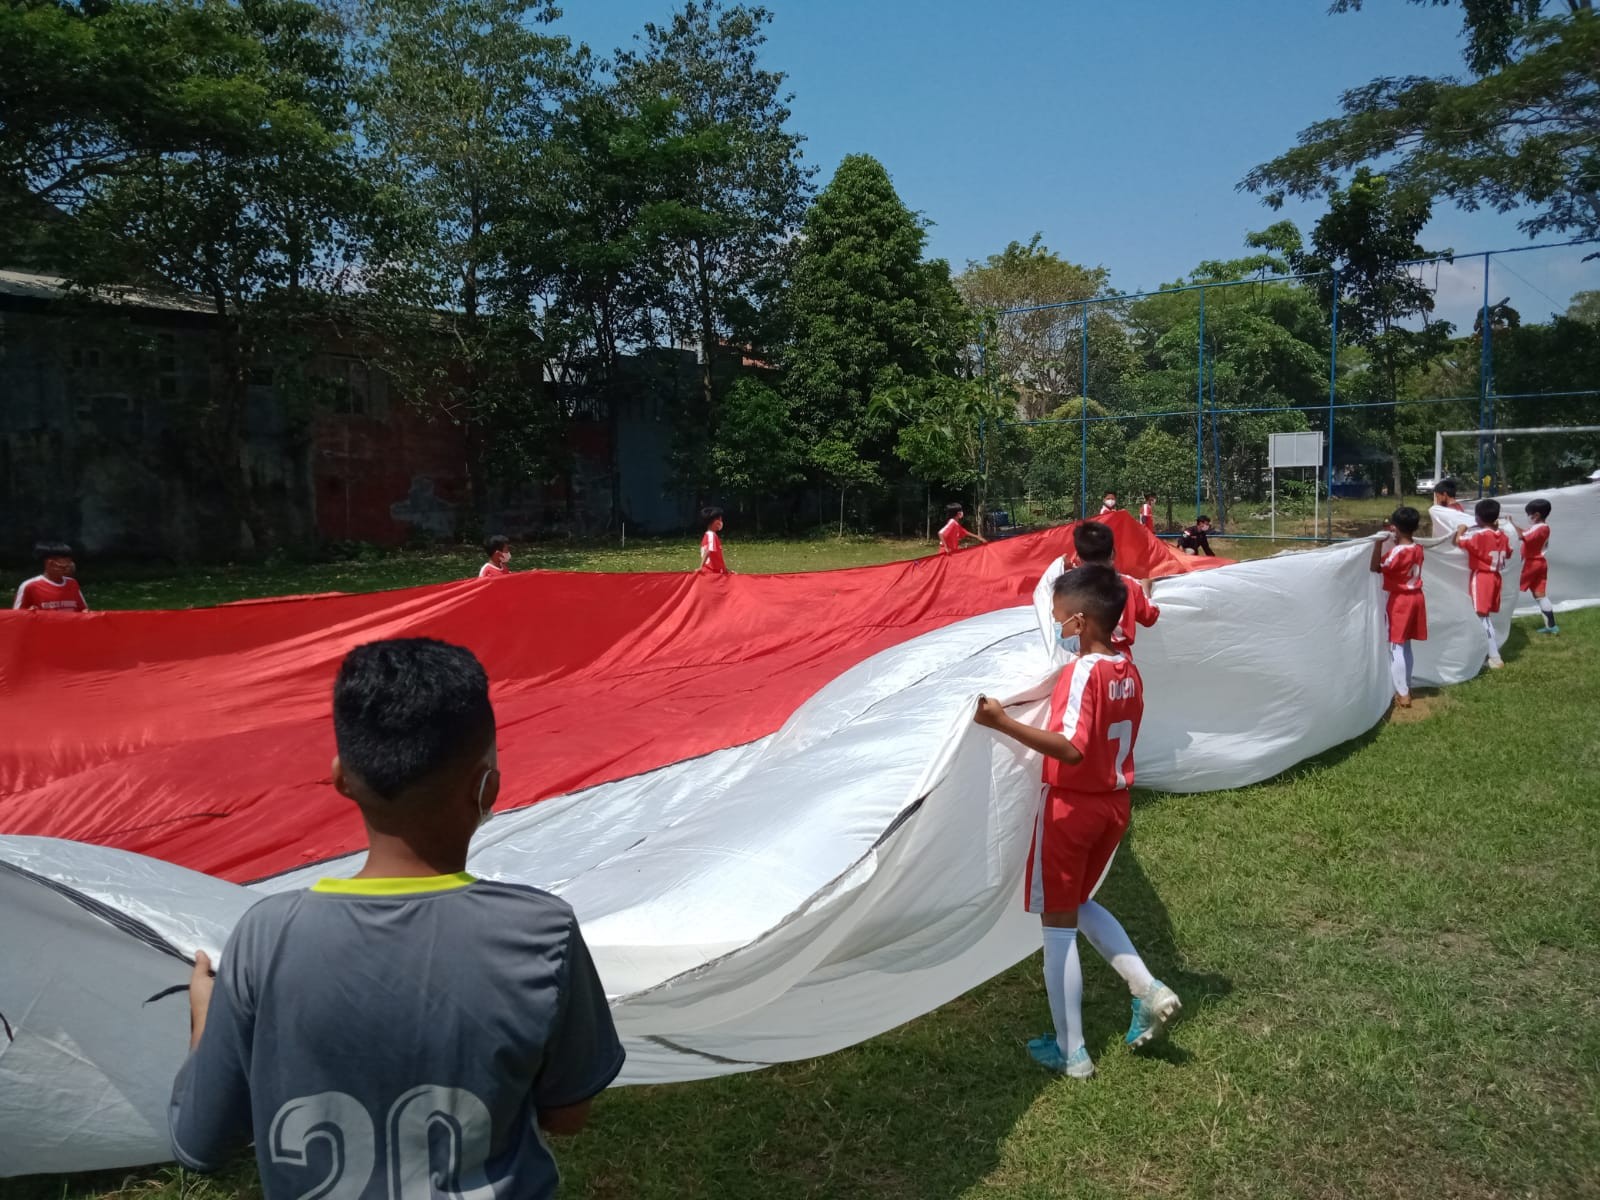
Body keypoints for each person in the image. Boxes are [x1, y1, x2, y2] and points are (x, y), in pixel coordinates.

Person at [169, 638, 624, 1198]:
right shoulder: (542, 932)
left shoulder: (265, 936)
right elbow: (567, 1114)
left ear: (341, 778)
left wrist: (203, 1023)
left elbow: (200, 1143)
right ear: (488, 785)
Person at [975, 566, 1179, 1079]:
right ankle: (1146, 988)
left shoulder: (1082, 672)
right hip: (1114, 803)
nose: (1057, 628)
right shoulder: (1127, 668)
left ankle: (1073, 1052)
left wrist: (1003, 722)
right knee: (1081, 903)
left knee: (1058, 928)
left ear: (1082, 621)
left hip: (1072, 806)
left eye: (1061, 619)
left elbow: (1070, 747)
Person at [1071, 520, 1159, 656]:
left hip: (1086, 655)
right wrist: (1146, 589)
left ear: (1078, 557)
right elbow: (1149, 617)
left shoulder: (1071, 586)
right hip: (1119, 656)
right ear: (1113, 553)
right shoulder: (1129, 584)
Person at [1369, 506, 1427, 708]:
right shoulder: (1418, 548)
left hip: (1401, 600)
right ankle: (1407, 686)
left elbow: (1375, 567)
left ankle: (1402, 693)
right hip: (1417, 597)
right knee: (1406, 645)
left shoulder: (1397, 552)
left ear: (1396, 527)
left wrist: (1378, 544)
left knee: (1396, 646)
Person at [1452, 498, 1512, 670]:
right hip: (1496, 577)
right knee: (1485, 616)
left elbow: (1459, 542)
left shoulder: (1480, 536)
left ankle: (1494, 656)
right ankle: (1490, 652)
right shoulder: (1503, 535)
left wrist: (1460, 530)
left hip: (1482, 578)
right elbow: (1508, 553)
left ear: (1478, 517)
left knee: (1482, 616)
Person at [1510, 498, 1557, 635]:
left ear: (1536, 515)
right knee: (1540, 595)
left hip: (1531, 564)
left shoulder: (1540, 528)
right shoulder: (1542, 527)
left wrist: (1510, 523)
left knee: (1509, 588)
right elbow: (1525, 533)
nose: (1528, 517)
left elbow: (1521, 536)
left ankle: (1499, 619)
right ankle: (1551, 626)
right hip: (1540, 563)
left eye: (1529, 514)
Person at [13, 541, 89, 611]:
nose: (68, 569)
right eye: (63, 567)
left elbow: (83, 610)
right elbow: (17, 617)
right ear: (50, 563)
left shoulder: (72, 583)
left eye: (69, 565)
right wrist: (29, 613)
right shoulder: (30, 586)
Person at [699, 506, 730, 573]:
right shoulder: (711, 535)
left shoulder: (709, 535)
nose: (721, 522)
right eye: (720, 520)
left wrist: (726, 570)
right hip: (711, 572)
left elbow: (717, 557)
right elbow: (708, 551)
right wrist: (700, 567)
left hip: (717, 572)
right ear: (714, 522)